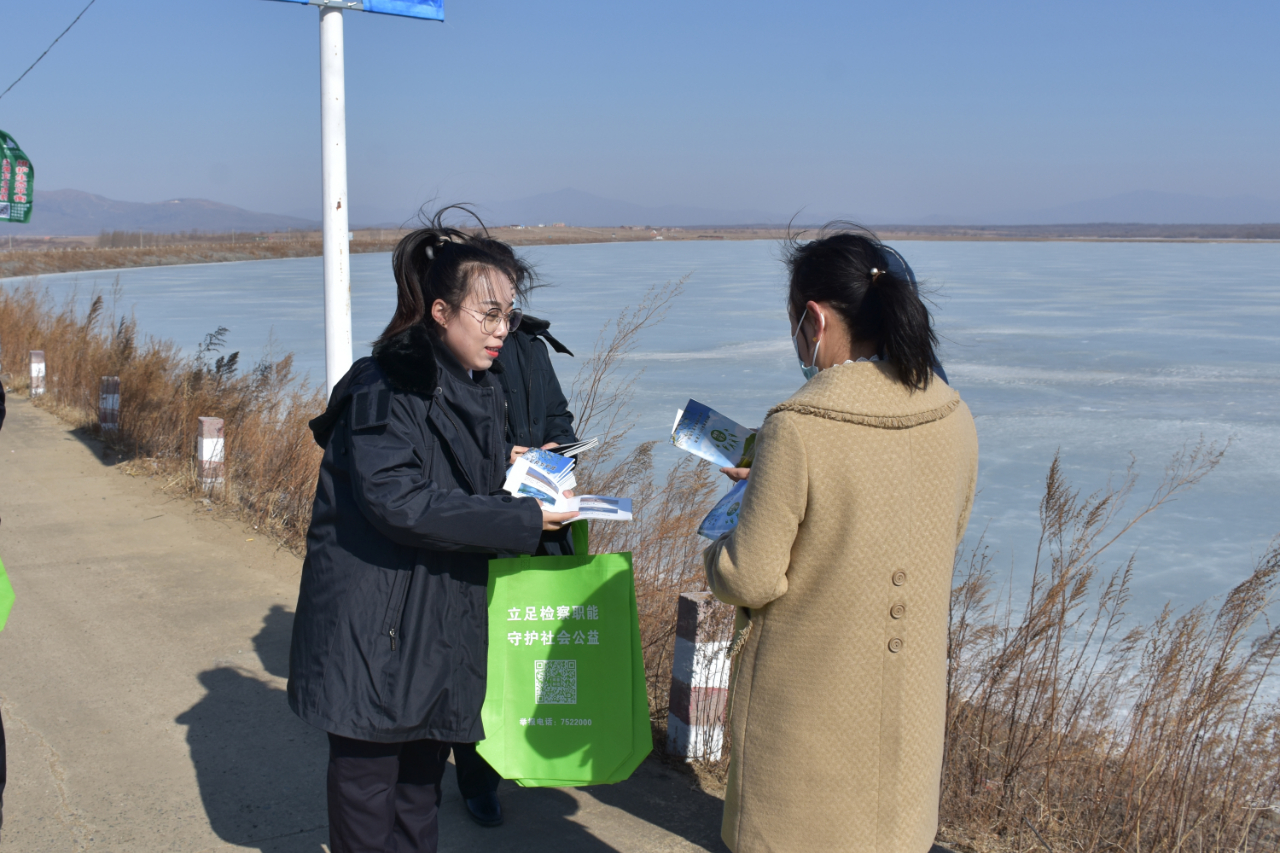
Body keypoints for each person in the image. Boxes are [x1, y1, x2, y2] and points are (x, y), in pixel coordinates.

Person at [287, 211, 578, 853]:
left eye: (508, 315)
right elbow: (400, 501)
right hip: (377, 630)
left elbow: (443, 484)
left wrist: (513, 471)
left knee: (419, 797)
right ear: (441, 312)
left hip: (434, 626)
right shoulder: (385, 387)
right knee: (369, 797)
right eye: (489, 314)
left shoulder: (472, 388)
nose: (503, 331)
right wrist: (525, 518)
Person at [702, 225, 979, 853]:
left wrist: (719, 546)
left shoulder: (799, 427)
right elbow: (933, 528)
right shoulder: (953, 412)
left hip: (808, 716)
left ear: (814, 318)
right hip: (907, 710)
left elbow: (750, 575)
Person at [451, 313, 579, 827]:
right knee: (480, 659)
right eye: (491, 303)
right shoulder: (450, 347)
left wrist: (558, 453)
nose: (501, 318)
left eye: (508, 301)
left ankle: (525, 755)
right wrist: (500, 458)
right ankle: (477, 780)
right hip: (480, 525)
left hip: (541, 521)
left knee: (531, 646)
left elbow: (559, 418)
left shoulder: (529, 344)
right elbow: (442, 439)